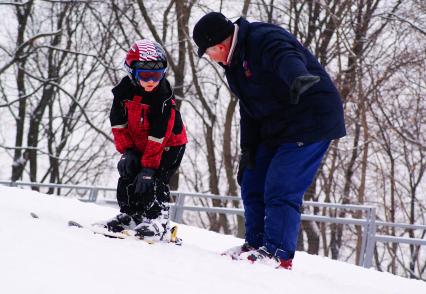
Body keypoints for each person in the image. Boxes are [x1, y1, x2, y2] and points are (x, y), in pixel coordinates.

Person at [193, 12, 345, 269]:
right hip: (277, 126)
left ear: (220, 45)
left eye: (207, 52)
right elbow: (249, 111)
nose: (209, 57)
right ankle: (256, 244)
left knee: (281, 184)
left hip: (310, 118)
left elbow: (284, 56)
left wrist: (296, 76)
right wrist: (247, 151)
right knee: (252, 180)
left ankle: (278, 253)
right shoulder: (233, 68)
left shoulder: (262, 38)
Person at [101, 39, 187, 241]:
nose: (151, 81)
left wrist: (149, 168)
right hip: (139, 142)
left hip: (168, 146)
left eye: (157, 75)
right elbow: (118, 124)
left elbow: (159, 136)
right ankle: (132, 215)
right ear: (132, 73)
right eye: (145, 75)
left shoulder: (162, 98)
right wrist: (127, 151)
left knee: (153, 179)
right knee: (129, 172)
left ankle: (158, 219)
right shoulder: (123, 92)